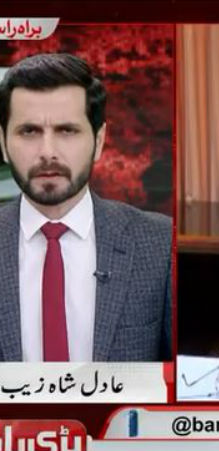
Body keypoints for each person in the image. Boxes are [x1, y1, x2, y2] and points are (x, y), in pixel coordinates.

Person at [0, 53, 172, 362]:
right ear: (2, 143)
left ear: (99, 140)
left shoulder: (160, 244)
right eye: (29, 131)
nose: (47, 152)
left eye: (67, 130)